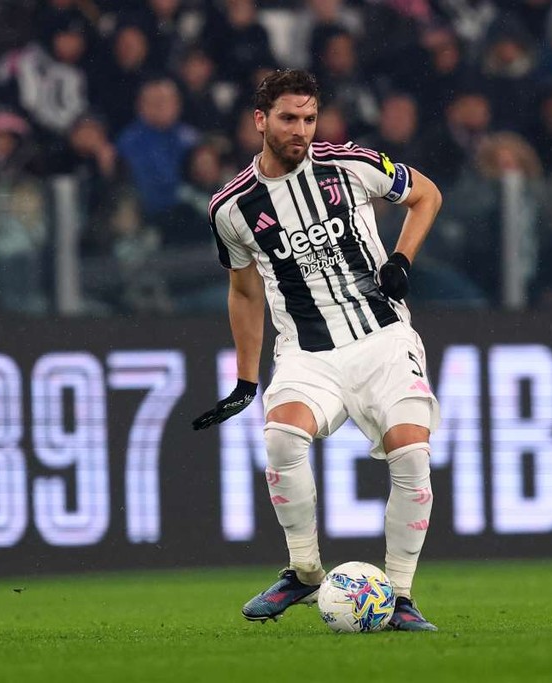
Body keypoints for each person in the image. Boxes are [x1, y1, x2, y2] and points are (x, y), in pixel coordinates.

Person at [191, 69, 442, 631]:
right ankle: (304, 571)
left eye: (309, 118)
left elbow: (427, 195)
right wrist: (246, 380)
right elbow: (244, 291)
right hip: (307, 353)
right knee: (281, 437)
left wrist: (401, 259)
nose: (301, 130)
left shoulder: (350, 164)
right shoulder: (231, 207)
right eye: (288, 118)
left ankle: (400, 596)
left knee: (411, 454)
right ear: (260, 120)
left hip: (383, 339)